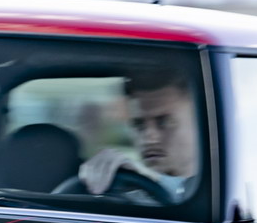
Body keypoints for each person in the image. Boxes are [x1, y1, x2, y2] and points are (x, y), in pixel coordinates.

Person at [72, 65, 200, 205]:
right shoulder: (127, 187)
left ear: (201, 124)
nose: (149, 137)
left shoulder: (224, 189)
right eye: (139, 124)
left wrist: (157, 182)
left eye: (164, 122)